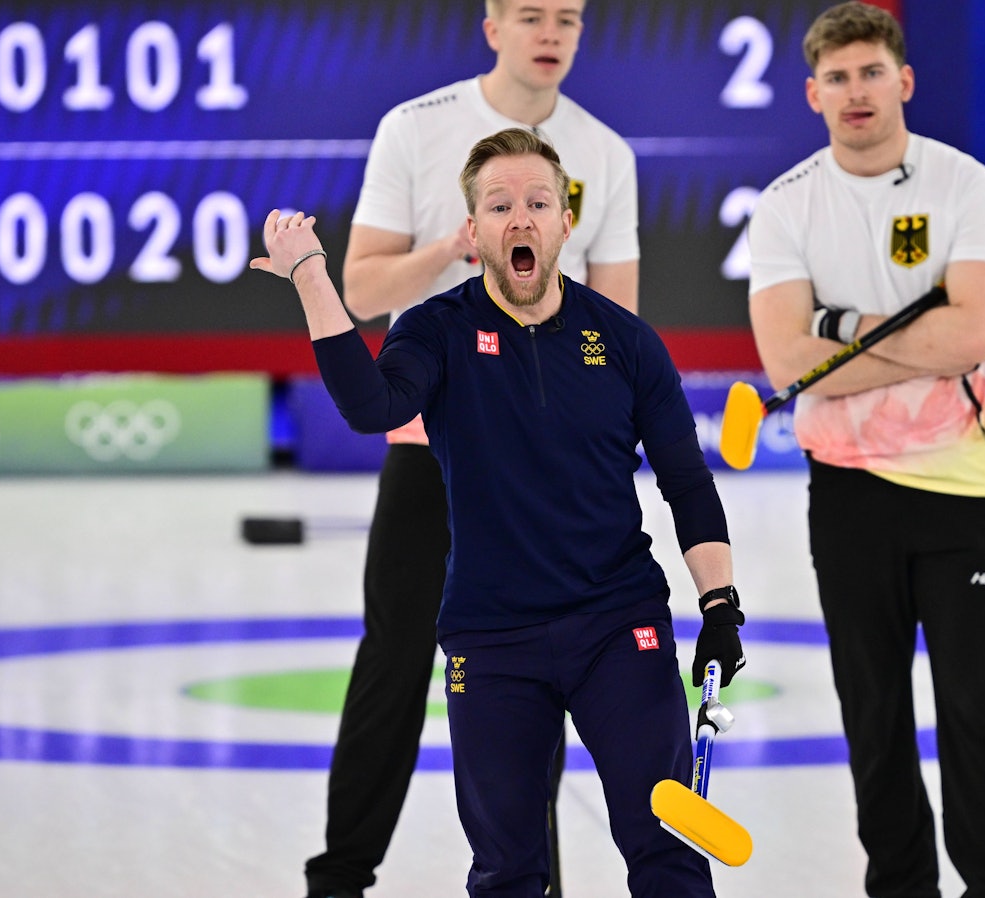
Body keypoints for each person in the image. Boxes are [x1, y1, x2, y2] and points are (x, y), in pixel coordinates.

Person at [252, 127, 747, 898]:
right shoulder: (435, 331)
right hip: (490, 640)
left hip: (619, 624)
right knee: (507, 870)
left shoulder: (624, 342)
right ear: (473, 229)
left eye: (538, 203)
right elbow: (369, 406)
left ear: (563, 224)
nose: (520, 217)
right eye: (500, 204)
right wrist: (311, 277)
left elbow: (686, 481)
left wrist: (719, 604)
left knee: (666, 854)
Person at [304, 2, 639, 896]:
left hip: (547, 471)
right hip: (434, 449)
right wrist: (455, 246)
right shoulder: (415, 130)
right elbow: (365, 285)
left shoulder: (605, 154)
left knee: (543, 668)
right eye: (530, 13)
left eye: (566, 16)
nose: (550, 30)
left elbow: (619, 326)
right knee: (394, 659)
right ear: (491, 25)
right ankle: (340, 876)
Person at [745, 3, 985, 897]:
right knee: (874, 717)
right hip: (847, 494)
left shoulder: (969, 187)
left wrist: (841, 333)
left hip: (961, 491)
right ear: (811, 93)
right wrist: (905, 331)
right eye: (837, 77)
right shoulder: (785, 204)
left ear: (903, 81)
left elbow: (969, 338)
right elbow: (787, 363)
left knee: (978, 713)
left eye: (871, 73)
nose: (855, 92)